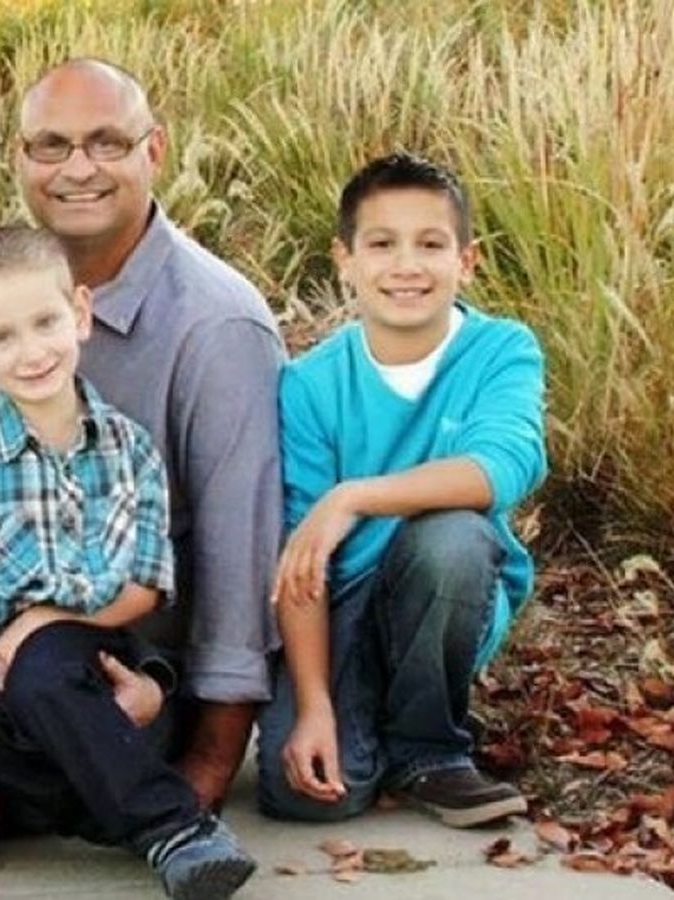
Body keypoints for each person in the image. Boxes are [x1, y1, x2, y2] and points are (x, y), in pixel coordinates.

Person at [0, 225, 257, 900]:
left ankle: (167, 826)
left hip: (97, 655)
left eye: (45, 323)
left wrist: (46, 623)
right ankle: (141, 812)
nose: (31, 352)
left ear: (80, 314)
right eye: (2, 337)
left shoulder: (128, 448)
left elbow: (145, 586)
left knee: (59, 671)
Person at [14, 58, 284, 811]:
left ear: (154, 150)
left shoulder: (216, 326)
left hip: (136, 677)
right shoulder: (0, 290)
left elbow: (241, 554)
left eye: (107, 143)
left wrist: (209, 765)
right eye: (51, 145)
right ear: (20, 157)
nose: (78, 170)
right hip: (6, 640)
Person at [256, 152, 547, 828]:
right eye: (382, 244)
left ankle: (429, 751)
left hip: (442, 592)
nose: (406, 266)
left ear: (466, 261)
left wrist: (352, 497)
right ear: (345, 260)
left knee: (452, 535)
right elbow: (302, 560)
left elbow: (502, 468)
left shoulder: (501, 351)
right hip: (345, 609)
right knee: (304, 795)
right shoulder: (310, 384)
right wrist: (314, 705)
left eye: (431, 244)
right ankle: (365, 724)